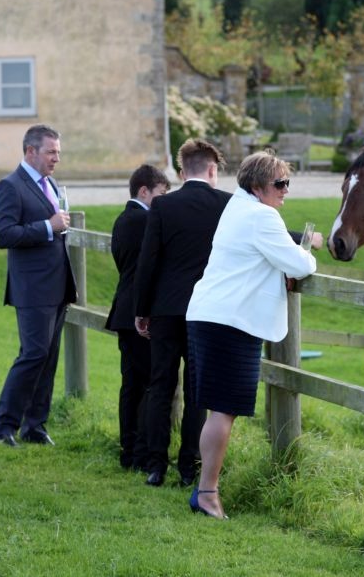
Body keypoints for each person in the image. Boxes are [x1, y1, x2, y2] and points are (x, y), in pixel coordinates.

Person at [185, 151, 317, 519]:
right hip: (229, 322)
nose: (285, 190)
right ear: (257, 186)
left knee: (219, 409)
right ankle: (207, 493)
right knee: (223, 410)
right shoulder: (262, 216)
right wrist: (306, 256)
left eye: (287, 182)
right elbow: (299, 263)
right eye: (280, 183)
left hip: (212, 316)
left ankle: (205, 490)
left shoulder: (238, 207)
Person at [132, 138, 230, 487]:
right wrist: (305, 239)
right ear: (212, 169)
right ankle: (190, 465)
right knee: (196, 391)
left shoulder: (162, 206)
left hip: (166, 309)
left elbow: (148, 261)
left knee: (161, 385)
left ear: (181, 171)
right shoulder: (226, 203)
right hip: (205, 311)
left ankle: (156, 465)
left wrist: (142, 310)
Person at [0, 124, 77, 448]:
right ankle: (2, 427)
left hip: (57, 284)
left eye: (58, 152)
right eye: (51, 152)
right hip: (32, 287)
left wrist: (57, 227)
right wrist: (48, 226)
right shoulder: (10, 186)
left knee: (48, 357)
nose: (56, 159)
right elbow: (3, 235)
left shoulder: (50, 183)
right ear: (30, 151)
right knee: (33, 354)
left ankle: (35, 426)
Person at [105, 164, 170, 471]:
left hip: (124, 309)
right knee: (147, 385)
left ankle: (129, 450)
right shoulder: (145, 220)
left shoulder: (123, 219)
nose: (163, 201)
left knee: (131, 384)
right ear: (144, 191)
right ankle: (141, 452)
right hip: (140, 313)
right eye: (161, 194)